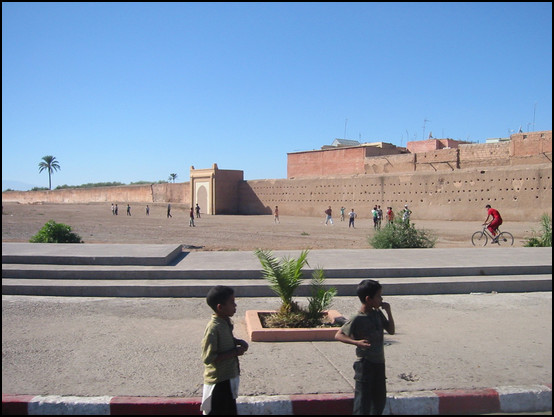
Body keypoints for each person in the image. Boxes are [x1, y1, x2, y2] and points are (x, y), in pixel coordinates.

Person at [335, 279, 395, 415]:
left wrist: (389, 312)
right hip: (365, 364)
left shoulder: (377, 313)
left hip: (379, 363)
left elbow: (391, 330)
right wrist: (356, 343)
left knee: (379, 402)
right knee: (362, 403)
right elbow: (338, 335)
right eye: (379, 296)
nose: (381, 299)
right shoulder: (357, 318)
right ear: (368, 299)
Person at [201, 286, 249, 415]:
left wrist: (237, 342)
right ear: (220, 307)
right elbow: (208, 357)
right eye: (232, 302)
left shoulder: (225, 322)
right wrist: (235, 352)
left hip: (228, 377)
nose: (235, 305)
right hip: (218, 382)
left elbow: (225, 340)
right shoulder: (213, 328)